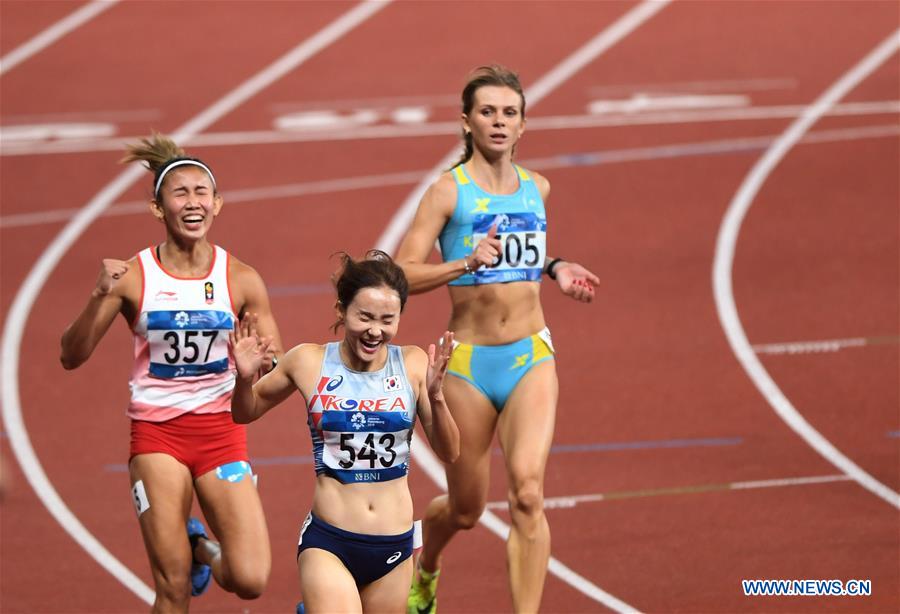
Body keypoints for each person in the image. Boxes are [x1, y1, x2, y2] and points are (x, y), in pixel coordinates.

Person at [397, 65, 599, 613]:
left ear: (523, 125)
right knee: (465, 510)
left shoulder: (539, 188)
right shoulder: (447, 193)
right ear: (466, 122)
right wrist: (463, 261)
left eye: (509, 113)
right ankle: (428, 566)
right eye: (487, 112)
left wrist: (555, 266)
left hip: (531, 355)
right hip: (467, 365)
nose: (499, 122)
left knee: (528, 495)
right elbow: (401, 274)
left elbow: (520, 258)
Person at [60, 134, 283, 613]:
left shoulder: (241, 279)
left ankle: (202, 547)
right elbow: (70, 356)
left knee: (250, 578)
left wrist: (255, 369)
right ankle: (187, 558)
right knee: (173, 587)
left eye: (201, 192)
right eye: (180, 193)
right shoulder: (133, 277)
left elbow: (275, 363)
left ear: (218, 203)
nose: (193, 202)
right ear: (158, 208)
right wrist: (99, 295)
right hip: (157, 436)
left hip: (222, 433)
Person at [230, 250, 460, 614]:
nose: (375, 330)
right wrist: (243, 381)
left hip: (393, 548)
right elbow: (245, 412)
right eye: (364, 316)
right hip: (330, 542)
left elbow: (449, 452)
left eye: (387, 319)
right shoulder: (308, 362)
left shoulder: (414, 364)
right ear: (341, 310)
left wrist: (436, 397)